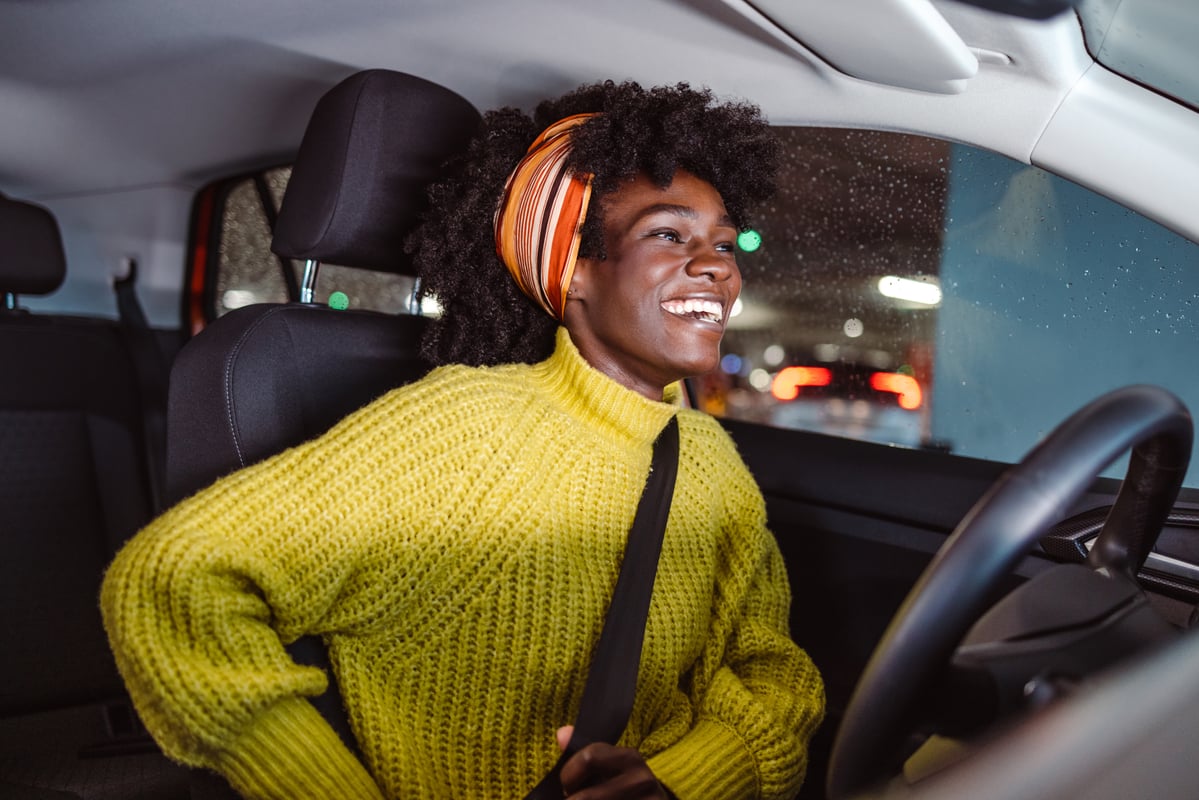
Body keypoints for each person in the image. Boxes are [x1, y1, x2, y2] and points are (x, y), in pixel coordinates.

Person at [101, 80, 825, 800]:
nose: (716, 265)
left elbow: (769, 666)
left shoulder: (706, 457)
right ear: (569, 269)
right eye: (668, 234)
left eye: (724, 243)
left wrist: (686, 779)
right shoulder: (464, 429)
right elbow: (171, 582)